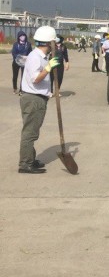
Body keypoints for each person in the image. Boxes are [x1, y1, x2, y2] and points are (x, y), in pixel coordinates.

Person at [18, 26, 60, 174]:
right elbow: (35, 79)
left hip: (37, 98)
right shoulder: (35, 57)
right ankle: (25, 164)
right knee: (30, 133)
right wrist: (48, 68)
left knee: (32, 131)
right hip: (33, 98)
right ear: (49, 43)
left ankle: (30, 158)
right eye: (53, 43)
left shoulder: (40, 57)